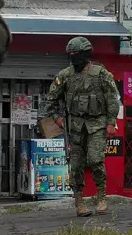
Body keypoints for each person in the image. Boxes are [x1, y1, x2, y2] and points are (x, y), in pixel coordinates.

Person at [42, 36, 121, 217]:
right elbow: (51, 100)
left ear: (85, 53)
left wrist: (111, 123)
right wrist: (57, 118)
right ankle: (79, 202)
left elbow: (112, 99)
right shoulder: (65, 75)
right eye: (71, 54)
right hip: (75, 127)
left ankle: (101, 197)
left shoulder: (101, 74)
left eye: (76, 54)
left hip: (97, 125)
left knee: (95, 160)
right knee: (75, 165)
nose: (73, 57)